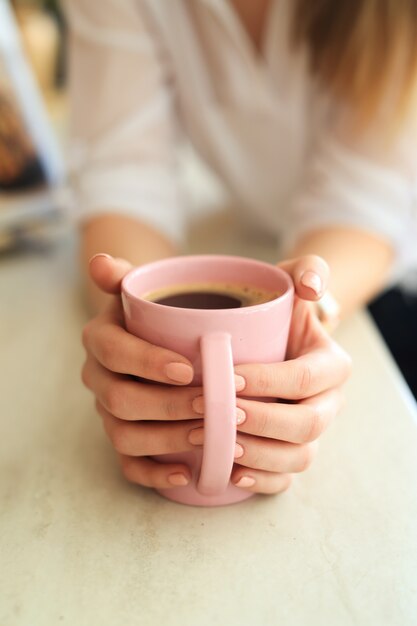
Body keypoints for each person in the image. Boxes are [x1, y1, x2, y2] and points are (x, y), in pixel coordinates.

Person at [66, 0, 417, 494]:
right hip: (271, 238)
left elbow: (365, 200)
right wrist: (137, 323)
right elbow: (124, 173)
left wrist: (308, 313)